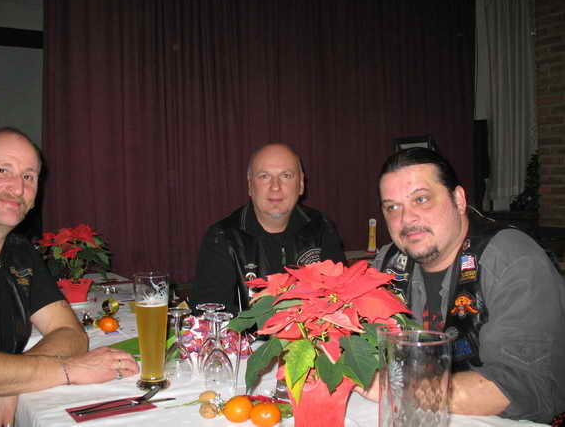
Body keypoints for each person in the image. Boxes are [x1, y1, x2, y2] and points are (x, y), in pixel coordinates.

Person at [0, 128, 138, 427]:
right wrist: (67, 370)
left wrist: (10, 384)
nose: (17, 188)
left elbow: (70, 333)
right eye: (3, 170)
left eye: (29, 177)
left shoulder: (20, 252)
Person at [362, 147, 565, 423]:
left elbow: (529, 386)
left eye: (421, 199)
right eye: (392, 207)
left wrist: (403, 389)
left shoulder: (511, 259)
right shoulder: (388, 263)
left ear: (458, 200)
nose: (406, 219)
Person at [191, 143, 346, 314]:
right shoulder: (222, 238)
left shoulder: (321, 228)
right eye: (264, 176)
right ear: (250, 185)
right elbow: (209, 314)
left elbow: (342, 299)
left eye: (286, 176)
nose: (275, 186)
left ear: (301, 184)